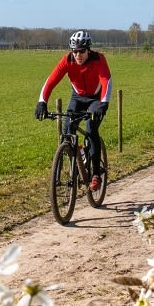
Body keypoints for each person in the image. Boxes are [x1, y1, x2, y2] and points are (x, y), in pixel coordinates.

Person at [35, 30, 112, 191]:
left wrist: (103, 103)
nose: (78, 55)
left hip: (95, 99)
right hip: (77, 97)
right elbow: (51, 81)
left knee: (91, 129)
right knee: (67, 131)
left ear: (88, 50)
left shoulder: (98, 59)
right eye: (74, 51)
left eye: (81, 51)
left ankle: (96, 174)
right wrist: (42, 102)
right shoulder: (67, 60)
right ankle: (81, 154)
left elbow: (106, 80)